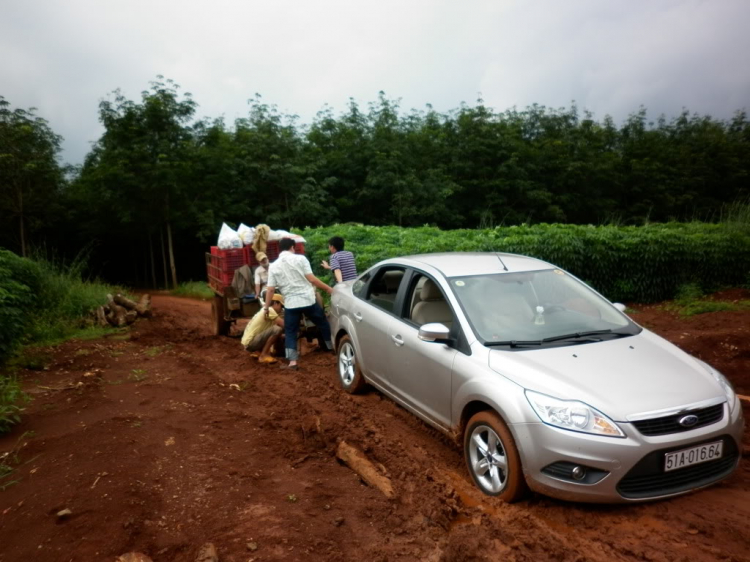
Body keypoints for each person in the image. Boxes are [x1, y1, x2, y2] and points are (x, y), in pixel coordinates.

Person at [264, 238, 334, 370]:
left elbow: (271, 289)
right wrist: (328, 289)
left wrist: (266, 307)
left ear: (280, 249)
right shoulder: (301, 259)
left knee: (290, 332)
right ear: (292, 247)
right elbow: (312, 279)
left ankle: (293, 363)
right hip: (308, 300)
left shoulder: (273, 266)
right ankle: (331, 348)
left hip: (291, 304)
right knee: (323, 322)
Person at [241, 293, 285, 364]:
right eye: (281, 306)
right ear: (275, 303)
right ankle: (263, 355)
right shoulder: (270, 310)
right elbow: (284, 325)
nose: (281, 309)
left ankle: (258, 351)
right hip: (251, 343)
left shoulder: (265, 310)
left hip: (249, 342)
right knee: (277, 329)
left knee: (276, 330)